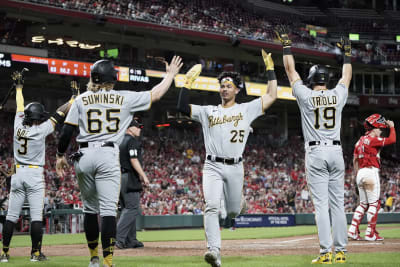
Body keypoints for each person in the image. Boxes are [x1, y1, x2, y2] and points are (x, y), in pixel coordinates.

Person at [55, 57, 183, 267]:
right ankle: (107, 262)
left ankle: (93, 259)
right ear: (112, 78)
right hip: (107, 154)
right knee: (107, 211)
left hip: (84, 155)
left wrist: (60, 155)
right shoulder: (124, 98)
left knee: (89, 209)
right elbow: (157, 94)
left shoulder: (81, 99)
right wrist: (170, 75)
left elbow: (66, 131)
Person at [177, 49, 277, 267]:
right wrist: (187, 82)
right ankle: (214, 251)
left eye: (228, 85)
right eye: (222, 85)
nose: (224, 88)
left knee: (232, 212)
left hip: (235, 167)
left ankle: (239, 203)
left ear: (237, 89)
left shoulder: (246, 109)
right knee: (211, 207)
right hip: (212, 165)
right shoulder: (208, 111)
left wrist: (270, 70)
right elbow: (182, 107)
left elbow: (271, 96)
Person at [275, 25, 352, 264]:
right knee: (338, 205)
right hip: (336, 150)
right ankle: (341, 253)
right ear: (326, 80)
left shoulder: (306, 96)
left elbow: (290, 70)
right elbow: (346, 76)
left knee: (321, 206)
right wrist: (347, 54)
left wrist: (286, 45)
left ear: (311, 79)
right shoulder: (338, 94)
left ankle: (325, 253)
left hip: (316, 151)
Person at [0, 73, 78, 263]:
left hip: (17, 171)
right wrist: (72, 99)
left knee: (11, 215)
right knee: (36, 216)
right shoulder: (40, 130)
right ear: (38, 117)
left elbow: (20, 104)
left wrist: (19, 88)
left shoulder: (18, 123)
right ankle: (35, 254)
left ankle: (4, 253)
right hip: (34, 173)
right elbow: (59, 114)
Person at [348, 114, 396, 241]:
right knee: (374, 204)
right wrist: (392, 127)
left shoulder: (359, 141)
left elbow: (354, 160)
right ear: (374, 128)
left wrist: (358, 174)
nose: (381, 131)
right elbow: (392, 140)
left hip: (360, 173)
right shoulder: (373, 140)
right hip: (370, 172)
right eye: (380, 129)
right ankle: (370, 233)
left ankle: (352, 230)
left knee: (363, 204)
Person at [116, 119, 149, 249]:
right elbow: (134, 160)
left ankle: (131, 240)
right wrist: (144, 176)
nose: (140, 129)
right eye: (137, 127)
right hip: (129, 177)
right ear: (129, 128)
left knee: (127, 208)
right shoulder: (131, 141)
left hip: (119, 177)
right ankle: (118, 239)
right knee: (132, 208)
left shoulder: (118, 141)